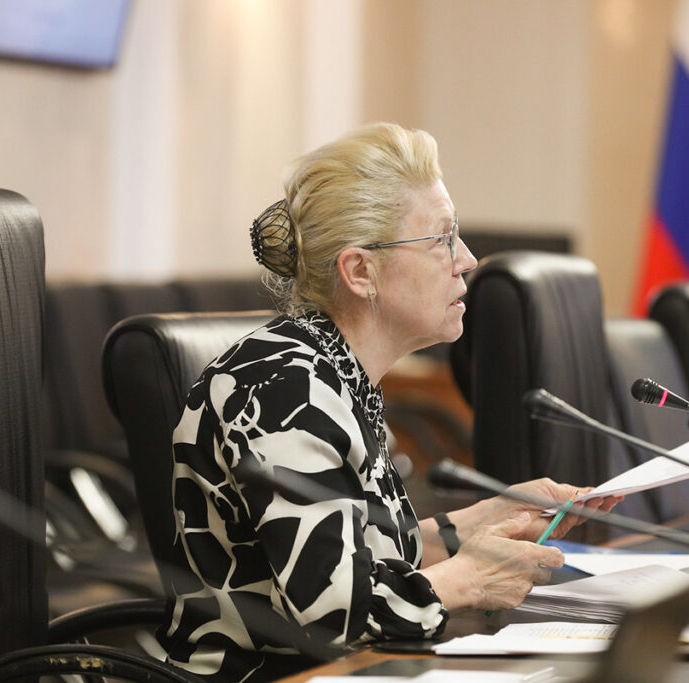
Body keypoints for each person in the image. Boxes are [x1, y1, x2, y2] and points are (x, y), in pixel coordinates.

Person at [159, 122, 621, 682]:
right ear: (361, 272)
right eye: (442, 239)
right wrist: (472, 576)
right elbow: (336, 613)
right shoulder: (283, 390)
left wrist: (486, 519)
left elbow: (367, 554)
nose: (467, 259)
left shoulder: (334, 370)